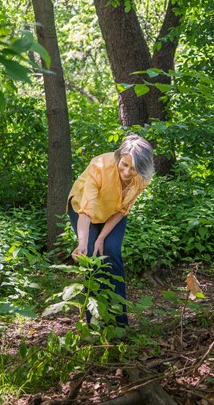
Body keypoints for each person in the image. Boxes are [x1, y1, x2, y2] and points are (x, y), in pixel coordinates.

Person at [67, 134, 154, 326]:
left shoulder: (142, 177)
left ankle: (119, 322)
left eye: (134, 168)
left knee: (111, 251)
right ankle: (95, 323)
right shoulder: (99, 167)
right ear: (118, 157)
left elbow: (123, 209)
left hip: (113, 213)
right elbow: (87, 211)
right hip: (83, 210)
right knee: (91, 255)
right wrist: (83, 243)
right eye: (124, 164)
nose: (127, 171)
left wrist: (102, 237)